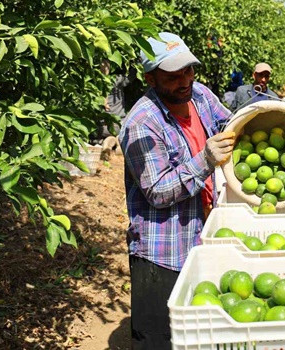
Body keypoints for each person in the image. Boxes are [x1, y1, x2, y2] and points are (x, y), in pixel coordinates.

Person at [118, 32, 235, 349]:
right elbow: (157, 190)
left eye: (188, 70)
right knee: (160, 338)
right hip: (163, 254)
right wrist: (205, 160)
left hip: (203, 238)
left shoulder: (199, 96)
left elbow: (229, 123)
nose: (184, 81)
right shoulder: (141, 124)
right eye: (172, 76)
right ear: (150, 78)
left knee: (199, 331)